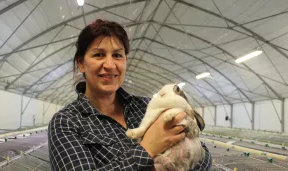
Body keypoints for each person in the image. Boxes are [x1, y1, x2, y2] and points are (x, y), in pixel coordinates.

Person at [48, 19, 212, 171]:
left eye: (117, 55)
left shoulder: (147, 106)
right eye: (99, 54)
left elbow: (203, 156)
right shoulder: (66, 123)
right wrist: (148, 148)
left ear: (125, 61)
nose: (110, 65)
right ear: (81, 63)